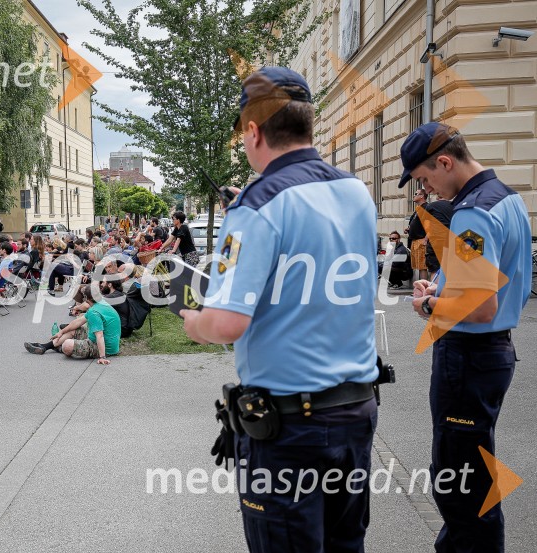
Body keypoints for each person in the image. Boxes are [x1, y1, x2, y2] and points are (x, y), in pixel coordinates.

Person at [180, 67, 379, 552]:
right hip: (354, 411)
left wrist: (192, 321)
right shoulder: (356, 191)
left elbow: (226, 324)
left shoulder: (256, 204)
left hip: (291, 430)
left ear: (253, 131)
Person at [401, 123, 531, 553]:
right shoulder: (507, 198)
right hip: (491, 354)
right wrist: (441, 286)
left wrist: (429, 307)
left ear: (444, 161)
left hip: (470, 355)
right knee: (469, 473)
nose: (428, 187)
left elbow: (480, 307)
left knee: (459, 481)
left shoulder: (472, 211)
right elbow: (491, 279)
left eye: (424, 178)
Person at [24, 284, 121, 364]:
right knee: (72, 329)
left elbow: (99, 336)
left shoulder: (94, 312)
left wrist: (102, 357)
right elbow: (78, 321)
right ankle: (45, 346)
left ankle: (60, 348)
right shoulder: (101, 303)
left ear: (86, 298)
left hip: (106, 348)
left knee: (67, 345)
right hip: (107, 341)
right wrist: (61, 332)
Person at [406, 188, 430, 281]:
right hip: (414, 240)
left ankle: (423, 288)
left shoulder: (426, 208)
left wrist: (426, 239)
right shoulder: (418, 209)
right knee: (417, 266)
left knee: (422, 266)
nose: (413, 195)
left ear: (422, 196)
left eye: (416, 193)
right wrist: (409, 229)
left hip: (421, 240)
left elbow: (431, 225)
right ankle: (419, 287)